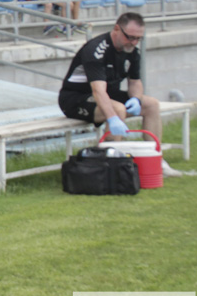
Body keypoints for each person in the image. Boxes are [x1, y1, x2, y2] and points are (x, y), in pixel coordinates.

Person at [58, 13, 179, 176]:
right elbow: (98, 91)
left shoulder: (132, 51)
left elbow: (135, 82)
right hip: (75, 98)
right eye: (130, 37)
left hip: (106, 95)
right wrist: (113, 118)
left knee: (151, 105)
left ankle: (157, 160)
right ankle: (109, 167)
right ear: (117, 29)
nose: (134, 42)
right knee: (118, 110)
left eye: (138, 38)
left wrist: (136, 99)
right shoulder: (96, 50)